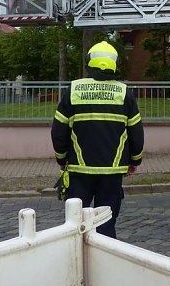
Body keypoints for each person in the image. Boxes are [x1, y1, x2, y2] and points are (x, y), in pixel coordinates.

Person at [51, 41, 144, 238]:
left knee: (76, 227)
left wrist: (62, 158)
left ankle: (77, 257)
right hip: (112, 172)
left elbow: (58, 131)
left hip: (79, 171)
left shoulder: (73, 90)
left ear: (89, 63)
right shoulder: (124, 93)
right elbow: (136, 133)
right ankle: (104, 256)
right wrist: (134, 161)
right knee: (106, 226)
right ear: (114, 64)